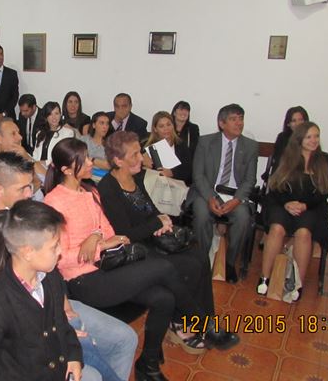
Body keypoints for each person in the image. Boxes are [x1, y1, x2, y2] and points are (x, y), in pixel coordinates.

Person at [44, 137, 226, 381]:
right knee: (163, 267)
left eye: (88, 157)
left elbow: (111, 233)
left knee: (164, 298)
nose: (91, 162)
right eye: (84, 160)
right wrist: (98, 246)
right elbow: (59, 259)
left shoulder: (89, 192)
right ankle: (205, 324)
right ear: (67, 170)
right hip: (83, 280)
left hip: (107, 266)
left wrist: (95, 237)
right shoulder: (54, 202)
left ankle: (148, 366)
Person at [0, 152, 138, 381]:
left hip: (54, 327)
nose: (30, 193)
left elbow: (57, 309)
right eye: (23, 188)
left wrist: (70, 345)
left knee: (124, 339)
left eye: (30, 186)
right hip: (32, 354)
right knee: (93, 372)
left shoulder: (45, 269)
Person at [98, 131, 239, 347]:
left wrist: (163, 220)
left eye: (140, 152)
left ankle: (204, 322)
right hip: (135, 250)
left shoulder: (135, 177)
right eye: (135, 154)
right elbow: (125, 235)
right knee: (189, 266)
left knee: (200, 255)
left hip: (151, 239)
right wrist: (156, 223)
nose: (141, 158)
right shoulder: (108, 187)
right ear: (118, 161)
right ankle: (183, 324)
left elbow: (149, 209)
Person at [0, 200, 83, 381]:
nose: (60, 251)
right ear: (27, 252)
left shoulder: (50, 277)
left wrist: (73, 354)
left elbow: (60, 323)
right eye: (54, 246)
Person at [258, 122, 328, 299]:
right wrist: (287, 204)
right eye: (309, 137)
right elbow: (275, 187)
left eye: (316, 136)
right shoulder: (286, 157)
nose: (313, 140)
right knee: (276, 229)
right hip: (283, 204)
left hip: (311, 207)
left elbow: (324, 192)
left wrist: (304, 205)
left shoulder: (326, 160)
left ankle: (297, 284)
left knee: (304, 233)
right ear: (299, 139)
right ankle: (264, 278)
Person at [188, 103, 258, 283]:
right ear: (221, 123)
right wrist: (211, 197)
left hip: (235, 195)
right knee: (202, 213)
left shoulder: (250, 146)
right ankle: (202, 261)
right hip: (208, 192)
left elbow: (250, 180)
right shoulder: (205, 142)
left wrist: (237, 200)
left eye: (241, 119)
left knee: (243, 217)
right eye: (233, 119)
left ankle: (229, 263)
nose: (239, 123)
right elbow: (198, 175)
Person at [0, 117, 43, 199]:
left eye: (19, 133)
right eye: (13, 134)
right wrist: (34, 186)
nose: (20, 137)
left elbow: (47, 179)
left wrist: (27, 157)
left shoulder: (21, 153)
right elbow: (6, 197)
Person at [143, 111, 193, 185]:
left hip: (179, 186)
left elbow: (188, 171)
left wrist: (171, 173)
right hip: (156, 185)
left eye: (169, 125)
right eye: (161, 126)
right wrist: (145, 165)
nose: (166, 129)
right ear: (155, 129)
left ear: (173, 125)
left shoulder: (181, 145)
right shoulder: (149, 148)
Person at [261, 106, 309, 182]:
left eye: (301, 120)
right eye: (294, 121)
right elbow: (279, 162)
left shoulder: (311, 139)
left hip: (304, 178)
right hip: (284, 177)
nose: (298, 124)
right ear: (288, 124)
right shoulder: (282, 138)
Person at [32, 101, 76, 166]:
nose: (54, 117)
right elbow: (35, 155)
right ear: (46, 117)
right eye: (50, 114)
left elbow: (64, 156)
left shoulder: (68, 133)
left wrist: (45, 163)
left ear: (60, 115)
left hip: (55, 168)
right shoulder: (40, 133)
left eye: (56, 113)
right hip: (38, 167)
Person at [78, 111, 112, 181]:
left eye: (107, 124)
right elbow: (78, 159)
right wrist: (100, 163)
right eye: (102, 123)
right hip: (84, 177)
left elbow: (109, 165)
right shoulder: (84, 140)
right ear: (94, 125)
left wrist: (91, 159)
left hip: (103, 179)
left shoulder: (110, 144)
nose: (105, 127)